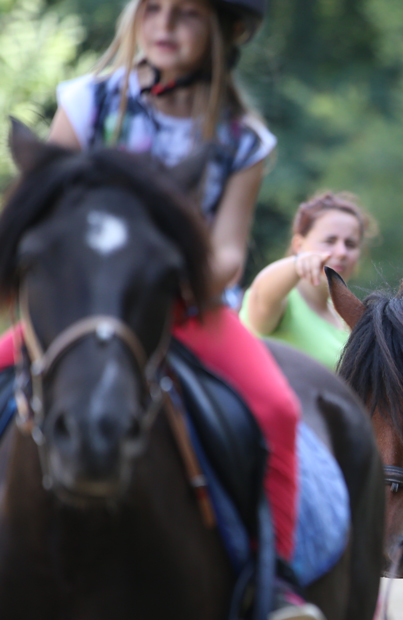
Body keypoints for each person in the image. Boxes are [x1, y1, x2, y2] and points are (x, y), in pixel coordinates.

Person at [0, 2, 318, 618]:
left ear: (226, 32)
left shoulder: (241, 138)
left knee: (277, 408)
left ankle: (274, 580)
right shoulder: (89, 102)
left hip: (184, 307)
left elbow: (227, 250)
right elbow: (43, 197)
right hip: (81, 305)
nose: (166, 26)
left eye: (188, 15)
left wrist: (167, 270)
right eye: (154, 9)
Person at [240, 191, 377, 369]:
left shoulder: (348, 317)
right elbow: (261, 292)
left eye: (350, 244)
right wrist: (296, 264)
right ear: (298, 245)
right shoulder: (281, 301)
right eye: (330, 240)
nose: (342, 252)